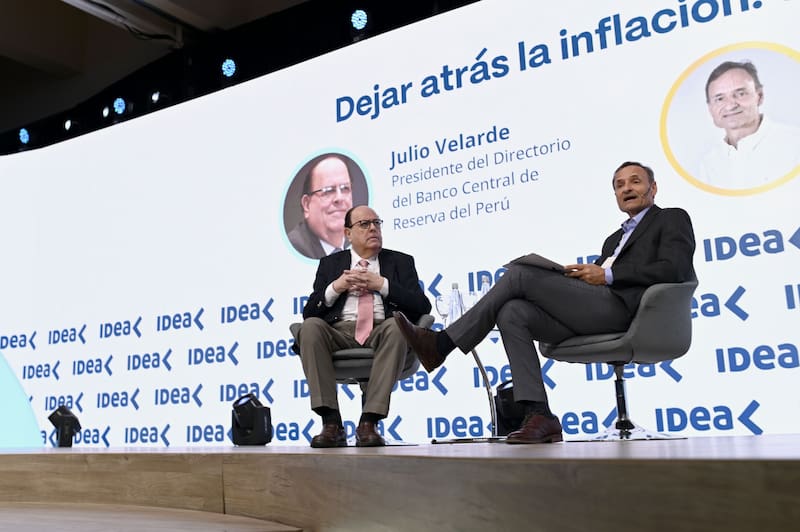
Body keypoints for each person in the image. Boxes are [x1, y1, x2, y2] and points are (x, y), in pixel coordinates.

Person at [396, 161, 696, 444]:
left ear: (653, 189)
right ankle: (539, 413)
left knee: (520, 274)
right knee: (513, 311)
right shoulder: (613, 239)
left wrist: (606, 274)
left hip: (631, 313)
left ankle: (442, 344)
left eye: (635, 182)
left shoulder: (671, 218)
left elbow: (675, 268)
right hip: (596, 310)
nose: (626, 188)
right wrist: (579, 278)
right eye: (619, 185)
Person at [294, 205, 432, 447]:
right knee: (311, 327)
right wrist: (337, 287)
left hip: (383, 330)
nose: (373, 229)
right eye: (365, 224)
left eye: (377, 223)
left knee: (396, 326)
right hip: (340, 332)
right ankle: (331, 423)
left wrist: (382, 284)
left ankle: (369, 421)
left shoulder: (400, 261)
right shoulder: (330, 264)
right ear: (348, 233)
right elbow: (309, 312)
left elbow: (422, 306)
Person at [698, 60, 800, 189]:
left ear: (760, 96)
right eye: (720, 98)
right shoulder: (709, 163)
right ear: (710, 108)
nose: (730, 105)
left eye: (740, 94)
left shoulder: (795, 144)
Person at [288, 155, 354, 258]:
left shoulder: (360, 241)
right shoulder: (295, 248)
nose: (339, 198)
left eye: (345, 188)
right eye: (328, 191)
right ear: (306, 205)